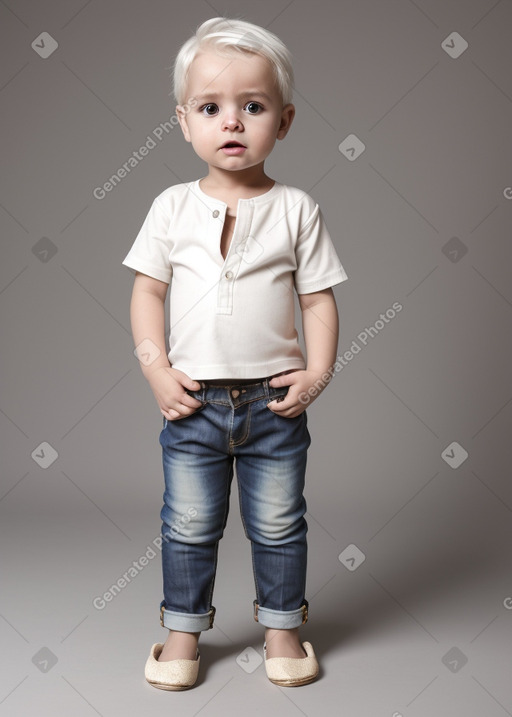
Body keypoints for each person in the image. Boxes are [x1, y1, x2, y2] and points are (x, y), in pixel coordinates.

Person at [122, 16, 348, 690]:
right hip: (191, 402)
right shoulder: (170, 207)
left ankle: (283, 627)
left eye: (252, 106)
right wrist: (156, 368)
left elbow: (318, 301)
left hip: (274, 402)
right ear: (183, 121)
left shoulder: (297, 209)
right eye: (211, 107)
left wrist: (318, 371)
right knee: (188, 521)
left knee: (279, 520)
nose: (232, 122)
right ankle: (182, 632)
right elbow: (147, 293)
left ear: (283, 120)